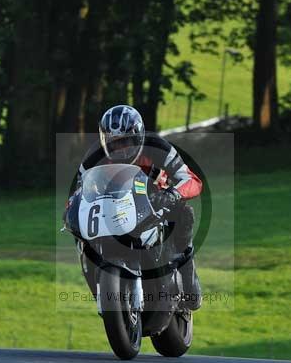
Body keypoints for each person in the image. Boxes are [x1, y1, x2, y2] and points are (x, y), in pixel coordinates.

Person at [74, 104, 202, 310]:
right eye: (114, 143)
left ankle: (188, 275)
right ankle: (96, 284)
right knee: (78, 231)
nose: (121, 148)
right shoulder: (94, 155)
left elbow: (191, 179)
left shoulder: (158, 147)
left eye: (127, 142)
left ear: (140, 136)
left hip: (156, 200)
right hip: (115, 206)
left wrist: (173, 194)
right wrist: (71, 209)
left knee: (185, 213)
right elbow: (78, 191)